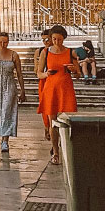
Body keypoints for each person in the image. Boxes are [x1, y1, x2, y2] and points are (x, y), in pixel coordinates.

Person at [36, 25, 80, 166]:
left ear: (64, 38)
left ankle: (66, 148)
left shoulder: (70, 52)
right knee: (53, 121)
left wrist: (74, 70)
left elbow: (79, 75)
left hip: (65, 89)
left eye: (59, 39)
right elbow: (38, 73)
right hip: (51, 89)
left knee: (67, 121)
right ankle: (55, 152)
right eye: (54, 39)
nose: (56, 42)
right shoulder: (45, 52)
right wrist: (46, 74)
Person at [32, 27, 53, 141]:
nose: (45, 42)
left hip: (54, 80)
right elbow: (36, 70)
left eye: (47, 39)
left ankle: (52, 128)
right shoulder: (39, 51)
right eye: (43, 40)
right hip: (44, 80)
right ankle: (46, 127)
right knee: (44, 105)